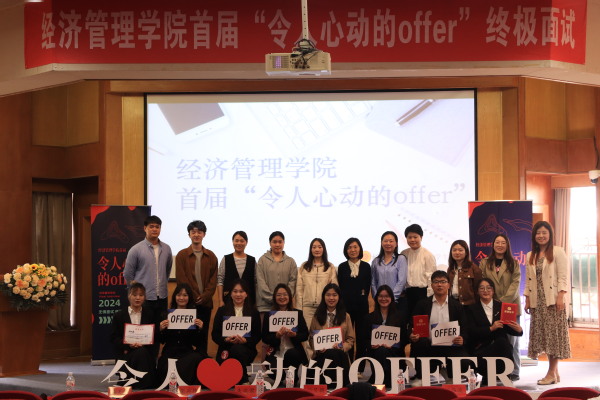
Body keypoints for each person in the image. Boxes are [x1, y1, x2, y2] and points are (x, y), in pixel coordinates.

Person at [524, 221, 570, 385]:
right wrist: (527, 298)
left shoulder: (558, 251)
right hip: (538, 302)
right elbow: (529, 280)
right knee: (545, 337)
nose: (541, 236)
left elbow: (563, 276)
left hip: (553, 300)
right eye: (538, 233)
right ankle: (555, 373)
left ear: (550, 234)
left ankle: (550, 373)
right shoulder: (530, 255)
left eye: (544, 232)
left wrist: (561, 296)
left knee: (553, 337)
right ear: (534, 236)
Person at [409, 270, 470, 385]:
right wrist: (412, 335)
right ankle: (421, 377)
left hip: (451, 345)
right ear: (431, 285)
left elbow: (465, 327)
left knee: (464, 360)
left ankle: (450, 375)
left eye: (443, 282)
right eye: (436, 282)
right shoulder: (422, 304)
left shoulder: (456, 306)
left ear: (448, 285)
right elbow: (412, 325)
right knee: (419, 344)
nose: (439, 285)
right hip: (428, 344)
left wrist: (462, 338)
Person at [480, 233, 522, 381]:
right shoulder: (485, 262)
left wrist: (502, 302)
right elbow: (482, 282)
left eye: (503, 242)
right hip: (490, 305)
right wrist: (492, 301)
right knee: (496, 339)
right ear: (493, 245)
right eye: (497, 242)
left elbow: (515, 284)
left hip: (510, 306)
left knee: (512, 340)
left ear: (507, 245)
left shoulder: (513, 263)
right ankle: (498, 370)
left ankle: (514, 370)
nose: (500, 245)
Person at [465, 278, 523, 386]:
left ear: (493, 291)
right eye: (482, 288)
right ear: (477, 291)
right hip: (481, 347)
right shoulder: (471, 309)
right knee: (500, 344)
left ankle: (504, 377)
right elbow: (471, 331)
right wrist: (491, 328)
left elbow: (508, 328)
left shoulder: (502, 307)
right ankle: (488, 377)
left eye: (489, 288)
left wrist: (519, 330)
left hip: (501, 347)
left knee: (502, 342)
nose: (485, 291)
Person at [175, 220, 218, 355]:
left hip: (206, 303)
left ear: (204, 234)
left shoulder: (211, 256)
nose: (196, 235)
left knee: (202, 334)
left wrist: (205, 296)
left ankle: (202, 361)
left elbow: (213, 280)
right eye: (193, 232)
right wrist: (193, 296)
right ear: (189, 234)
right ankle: (187, 361)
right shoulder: (181, 255)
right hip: (188, 303)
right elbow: (181, 279)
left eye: (199, 232)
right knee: (186, 334)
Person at [211, 279, 262, 384]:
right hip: (226, 348)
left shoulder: (253, 312)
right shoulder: (222, 311)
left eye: (241, 291)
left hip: (247, 349)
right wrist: (226, 339)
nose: (238, 294)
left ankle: (243, 380)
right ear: (230, 294)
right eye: (235, 291)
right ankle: (239, 379)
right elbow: (215, 334)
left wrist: (245, 341)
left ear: (246, 294)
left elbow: (257, 335)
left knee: (238, 349)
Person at [110, 282, 158, 390]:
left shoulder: (150, 314)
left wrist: (146, 343)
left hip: (145, 351)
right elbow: (114, 338)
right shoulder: (119, 315)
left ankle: (136, 382)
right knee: (140, 352)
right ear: (129, 296)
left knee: (142, 352)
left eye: (141, 295)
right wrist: (128, 345)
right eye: (134, 295)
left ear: (144, 297)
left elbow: (155, 337)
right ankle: (143, 383)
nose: (137, 298)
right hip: (127, 352)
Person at [157, 283, 208, 385]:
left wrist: (200, 329)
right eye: (179, 295)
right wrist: (161, 329)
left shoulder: (195, 316)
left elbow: (197, 343)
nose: (181, 298)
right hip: (169, 354)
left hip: (187, 354)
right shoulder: (166, 315)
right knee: (165, 367)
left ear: (189, 297)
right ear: (174, 296)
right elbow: (161, 340)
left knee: (198, 358)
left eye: (185, 295)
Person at [124, 215, 173, 316]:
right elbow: (128, 274)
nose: (154, 229)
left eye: (157, 227)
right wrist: (136, 293)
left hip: (162, 297)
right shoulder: (136, 249)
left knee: (161, 325)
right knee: (145, 325)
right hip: (143, 298)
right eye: (151, 226)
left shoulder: (167, 248)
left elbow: (167, 270)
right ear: (145, 228)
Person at [262, 283, 309, 385]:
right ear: (274, 297)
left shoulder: (297, 314)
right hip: (276, 351)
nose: (282, 297)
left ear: (290, 297)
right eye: (279, 295)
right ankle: (281, 376)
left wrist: (295, 335)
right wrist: (276, 336)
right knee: (273, 371)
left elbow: (305, 334)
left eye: (285, 294)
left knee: (292, 354)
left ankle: (293, 375)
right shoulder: (269, 315)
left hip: (293, 351)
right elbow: (265, 338)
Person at [309, 283, 355, 387]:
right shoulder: (316, 316)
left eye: (334, 295)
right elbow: (311, 338)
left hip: (340, 355)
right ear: (323, 297)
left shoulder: (346, 316)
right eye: (328, 295)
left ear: (339, 297)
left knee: (335, 353)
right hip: (322, 355)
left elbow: (350, 339)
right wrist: (318, 348)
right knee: (329, 353)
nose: (331, 298)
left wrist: (342, 346)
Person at [337, 238, 371, 369]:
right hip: (346, 308)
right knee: (347, 337)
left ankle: (360, 367)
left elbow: (367, 287)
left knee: (362, 337)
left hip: (362, 307)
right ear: (346, 250)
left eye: (355, 247)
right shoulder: (342, 267)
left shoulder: (366, 266)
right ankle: (348, 365)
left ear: (360, 249)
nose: (353, 250)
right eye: (350, 247)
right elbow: (341, 287)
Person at [366, 285, 407, 388]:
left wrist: (393, 344)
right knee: (381, 351)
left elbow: (405, 338)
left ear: (391, 298)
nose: (383, 299)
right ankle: (384, 379)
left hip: (395, 352)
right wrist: (371, 345)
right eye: (381, 296)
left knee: (384, 351)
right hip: (376, 352)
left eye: (387, 296)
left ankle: (383, 379)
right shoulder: (369, 317)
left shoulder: (400, 316)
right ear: (376, 298)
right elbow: (365, 339)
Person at [296, 238, 338, 328]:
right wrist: (299, 309)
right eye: (314, 247)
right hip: (307, 307)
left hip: (323, 307)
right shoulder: (304, 266)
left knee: (322, 334)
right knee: (306, 333)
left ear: (324, 249)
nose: (317, 249)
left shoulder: (330, 267)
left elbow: (334, 288)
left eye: (319, 247)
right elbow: (299, 289)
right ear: (311, 250)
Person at [256, 231, 298, 314]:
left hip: (286, 308)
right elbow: (261, 283)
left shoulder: (291, 262)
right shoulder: (262, 260)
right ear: (270, 243)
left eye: (280, 242)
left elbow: (293, 283)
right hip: (265, 307)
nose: (277, 244)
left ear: (284, 243)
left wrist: (284, 298)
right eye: (274, 242)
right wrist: (274, 299)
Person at [401, 224, 437, 318]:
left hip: (423, 294)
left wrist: (429, 297)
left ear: (421, 237)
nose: (412, 240)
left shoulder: (428, 255)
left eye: (415, 237)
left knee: (421, 321)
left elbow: (431, 277)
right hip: (407, 294)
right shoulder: (403, 254)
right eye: (409, 237)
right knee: (408, 320)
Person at [217, 231, 256, 307]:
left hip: (249, 301)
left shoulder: (252, 260)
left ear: (246, 242)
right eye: (236, 240)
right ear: (233, 242)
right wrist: (220, 300)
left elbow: (256, 282)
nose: (239, 243)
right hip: (228, 300)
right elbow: (220, 280)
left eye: (242, 241)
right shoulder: (226, 259)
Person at [371, 231, 407, 311]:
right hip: (380, 302)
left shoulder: (401, 259)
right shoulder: (376, 261)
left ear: (396, 244)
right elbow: (373, 282)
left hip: (396, 301)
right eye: (385, 241)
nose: (388, 243)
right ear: (381, 243)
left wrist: (391, 298)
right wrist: (377, 297)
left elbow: (401, 281)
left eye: (391, 241)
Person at [446, 240, 483, 306]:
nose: (457, 252)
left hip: (469, 305)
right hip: (453, 303)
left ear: (466, 252)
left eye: (460, 250)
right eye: (454, 250)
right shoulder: (450, 269)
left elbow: (478, 290)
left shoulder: (474, 269)